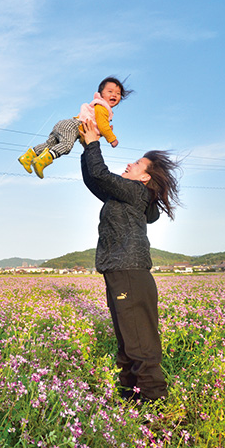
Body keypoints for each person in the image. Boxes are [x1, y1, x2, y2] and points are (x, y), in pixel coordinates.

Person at [79, 122, 181, 405]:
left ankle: (155, 411)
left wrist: (92, 144)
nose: (129, 164)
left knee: (140, 346)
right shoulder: (127, 195)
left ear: (146, 178)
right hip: (120, 272)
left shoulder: (136, 192)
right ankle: (130, 402)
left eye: (137, 163)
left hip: (129, 272)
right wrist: (84, 144)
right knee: (127, 343)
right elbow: (94, 179)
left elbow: (100, 173)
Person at [18, 76, 132, 179]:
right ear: (100, 94)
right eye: (110, 91)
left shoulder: (96, 106)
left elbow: (89, 133)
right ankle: (41, 161)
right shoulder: (102, 107)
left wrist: (93, 139)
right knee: (66, 146)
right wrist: (112, 138)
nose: (114, 95)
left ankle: (28, 156)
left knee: (50, 144)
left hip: (64, 124)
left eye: (118, 93)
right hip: (73, 127)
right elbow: (103, 126)